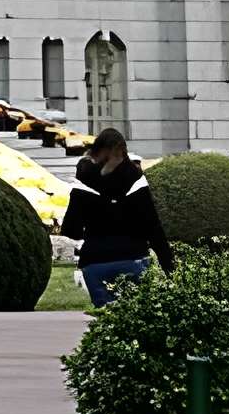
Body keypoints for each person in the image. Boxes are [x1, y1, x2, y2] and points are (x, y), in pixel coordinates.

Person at [58, 128, 174, 309]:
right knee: (134, 317)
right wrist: (169, 268)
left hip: (95, 262)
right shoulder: (135, 181)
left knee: (107, 319)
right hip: (132, 258)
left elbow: (71, 229)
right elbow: (153, 227)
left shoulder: (83, 182)